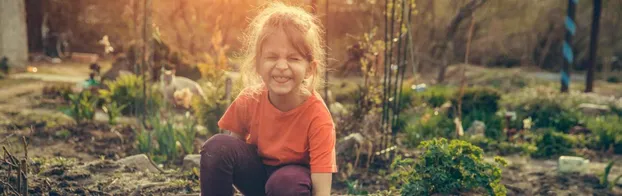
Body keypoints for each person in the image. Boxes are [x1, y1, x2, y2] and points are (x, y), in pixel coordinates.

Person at [199, 2, 336, 196]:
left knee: (284, 182)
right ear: (258, 63)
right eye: (272, 57)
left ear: (310, 68)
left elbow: (321, 185)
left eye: (293, 58)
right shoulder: (249, 100)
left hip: (291, 185)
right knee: (217, 147)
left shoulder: (317, 116)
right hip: (257, 178)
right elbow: (232, 152)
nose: (281, 66)